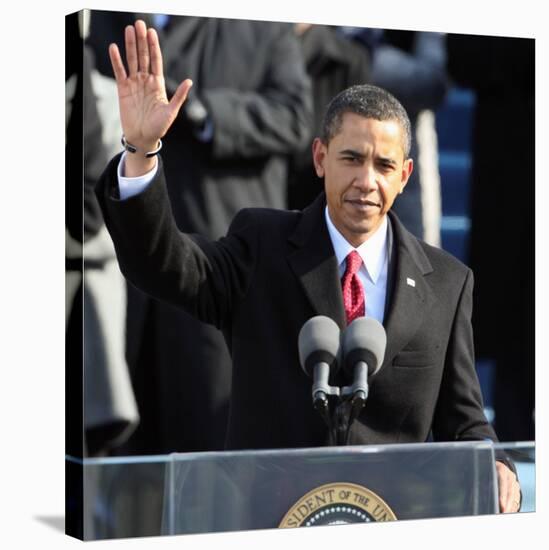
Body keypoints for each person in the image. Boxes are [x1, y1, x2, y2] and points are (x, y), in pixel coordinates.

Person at [96, 20, 520, 513]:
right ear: (320, 158)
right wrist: (141, 152)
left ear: (405, 175)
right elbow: (166, 266)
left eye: (384, 166)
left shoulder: (447, 283)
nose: (366, 180)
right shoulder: (262, 246)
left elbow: (466, 420)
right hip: (268, 519)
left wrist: (497, 462)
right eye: (351, 158)